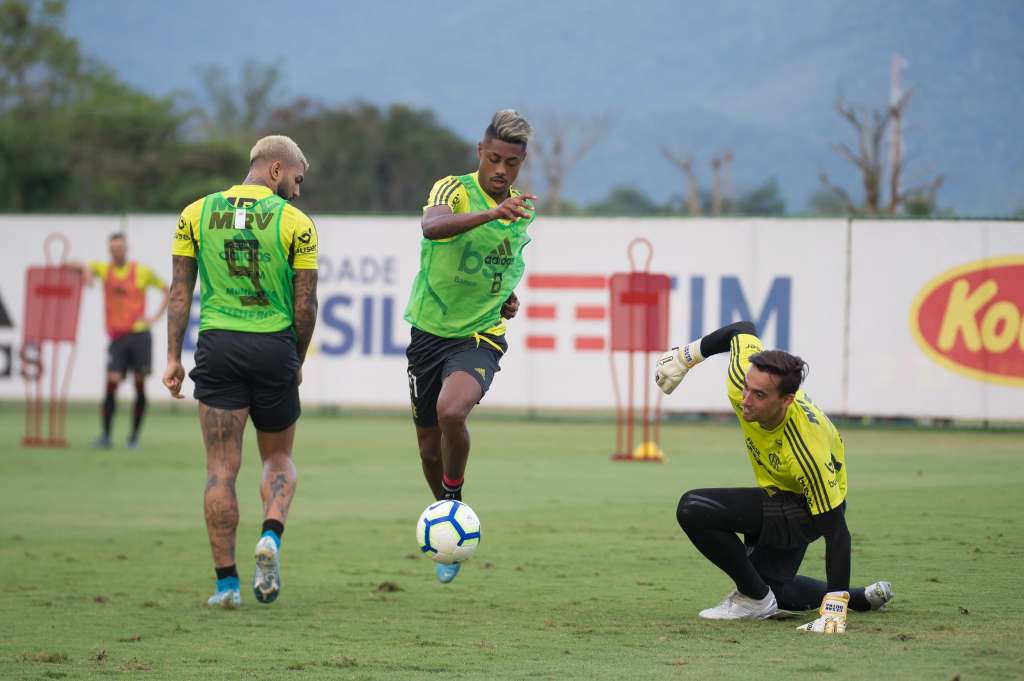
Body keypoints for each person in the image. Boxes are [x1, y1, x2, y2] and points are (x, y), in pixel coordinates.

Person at [163, 135, 319, 609]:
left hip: (219, 348)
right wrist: (297, 358)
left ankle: (227, 585)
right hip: (273, 348)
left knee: (220, 471)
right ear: (275, 170)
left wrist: (173, 357)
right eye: (296, 178)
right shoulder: (297, 223)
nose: (297, 189)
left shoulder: (194, 214)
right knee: (278, 460)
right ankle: (271, 534)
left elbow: (178, 294)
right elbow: (306, 305)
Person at [655, 321, 893, 625]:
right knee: (776, 589)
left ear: (786, 400)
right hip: (776, 494)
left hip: (809, 507)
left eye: (759, 395)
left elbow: (837, 533)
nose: (745, 400)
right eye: (746, 388)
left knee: (694, 508)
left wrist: (834, 612)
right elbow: (741, 329)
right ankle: (859, 597)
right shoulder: (745, 379)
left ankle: (756, 598)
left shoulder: (807, 450)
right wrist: (684, 357)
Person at [404, 109, 537, 583]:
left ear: (522, 163)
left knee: (452, 412)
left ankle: (454, 506)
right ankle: (445, 520)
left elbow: (502, 259)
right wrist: (490, 212)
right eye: (495, 159)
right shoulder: (452, 189)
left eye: (513, 163)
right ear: (480, 152)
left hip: (479, 334)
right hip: (428, 330)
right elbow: (433, 227)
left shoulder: (522, 207)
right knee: (426, 448)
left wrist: (506, 296)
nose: (502, 171)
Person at [67, 233, 169, 449]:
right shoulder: (104, 270)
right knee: (112, 382)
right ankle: (105, 435)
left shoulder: (141, 271)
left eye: (120, 247)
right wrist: (86, 271)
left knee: (139, 385)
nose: (116, 251)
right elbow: (70, 264)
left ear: (126, 248)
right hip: (117, 337)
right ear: (109, 250)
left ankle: (133, 437)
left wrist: (154, 317)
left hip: (140, 335)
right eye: (113, 247)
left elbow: (166, 290)